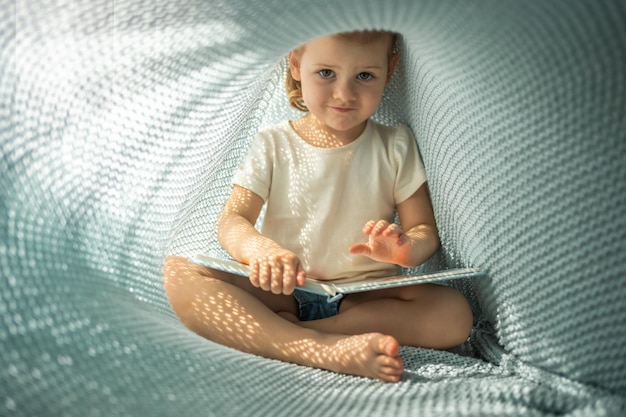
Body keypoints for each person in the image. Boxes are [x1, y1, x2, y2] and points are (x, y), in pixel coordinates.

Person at [164, 30, 473, 383]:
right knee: (179, 271)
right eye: (326, 73)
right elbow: (232, 220)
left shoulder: (395, 146)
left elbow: (425, 232)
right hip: (282, 292)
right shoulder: (273, 143)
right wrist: (260, 249)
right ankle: (315, 347)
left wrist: (405, 249)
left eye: (365, 76)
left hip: (362, 299)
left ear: (390, 70)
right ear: (296, 64)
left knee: (455, 313)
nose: (344, 94)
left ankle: (306, 334)